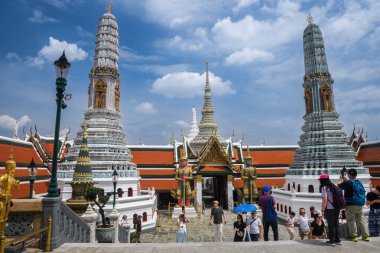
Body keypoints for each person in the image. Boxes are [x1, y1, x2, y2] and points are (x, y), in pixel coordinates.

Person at [338, 168, 369, 242]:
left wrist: (340, 178)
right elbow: (350, 185)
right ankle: (365, 236)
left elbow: (339, 186)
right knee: (361, 220)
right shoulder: (359, 182)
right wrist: (346, 180)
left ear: (349, 174)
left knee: (351, 220)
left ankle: (354, 236)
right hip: (360, 204)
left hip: (350, 204)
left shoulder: (348, 183)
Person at [320, 173, 341, 245]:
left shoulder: (324, 188)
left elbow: (325, 200)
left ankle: (332, 240)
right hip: (337, 207)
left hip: (330, 208)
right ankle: (337, 240)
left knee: (331, 224)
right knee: (336, 223)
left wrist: (322, 210)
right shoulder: (333, 185)